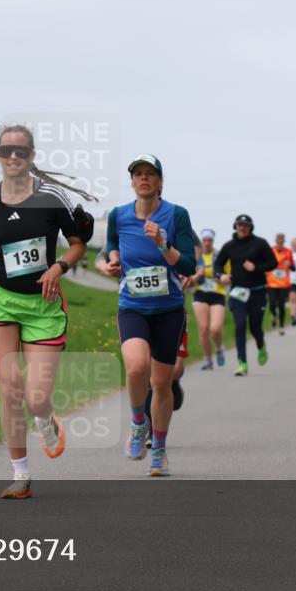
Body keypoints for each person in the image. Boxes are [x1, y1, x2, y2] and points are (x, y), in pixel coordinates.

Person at [0, 125, 87, 499]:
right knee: (10, 387)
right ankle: (20, 475)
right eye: (6, 151)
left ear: (32, 155)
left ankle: (45, 416)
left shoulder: (51, 197)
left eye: (21, 151)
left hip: (42, 305)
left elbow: (77, 243)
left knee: (35, 397)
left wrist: (59, 267)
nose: (13, 157)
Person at [104, 154, 198, 476]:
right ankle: (137, 422)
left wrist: (162, 243)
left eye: (150, 174)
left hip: (169, 309)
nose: (144, 178)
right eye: (138, 174)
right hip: (132, 306)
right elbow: (111, 244)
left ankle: (158, 451)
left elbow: (188, 265)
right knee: (136, 366)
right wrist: (111, 260)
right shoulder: (118, 215)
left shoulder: (177, 214)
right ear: (132, 181)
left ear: (160, 182)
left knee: (161, 384)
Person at [213, 215, 278, 376]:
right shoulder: (229, 246)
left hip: (257, 292)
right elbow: (218, 264)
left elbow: (273, 263)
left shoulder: (260, 243)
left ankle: (261, 345)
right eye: (240, 225)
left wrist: (256, 267)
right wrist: (220, 275)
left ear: (250, 227)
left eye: (246, 225)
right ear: (235, 226)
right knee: (240, 325)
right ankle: (242, 363)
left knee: (255, 327)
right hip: (238, 292)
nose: (242, 228)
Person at [189, 228, 228, 369]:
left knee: (215, 328)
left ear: (213, 241)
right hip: (200, 293)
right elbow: (188, 280)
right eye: (204, 240)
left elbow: (228, 276)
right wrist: (197, 276)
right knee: (204, 329)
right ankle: (208, 359)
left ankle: (219, 347)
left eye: (209, 240)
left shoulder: (220, 256)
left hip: (217, 294)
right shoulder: (195, 257)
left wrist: (222, 278)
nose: (206, 243)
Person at [266, 232, 294, 336]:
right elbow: (265, 264)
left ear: (284, 241)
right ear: (275, 240)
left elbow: (294, 268)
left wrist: (289, 265)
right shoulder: (270, 250)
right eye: (278, 239)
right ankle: (274, 315)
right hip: (271, 283)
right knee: (272, 304)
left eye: (282, 239)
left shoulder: (288, 252)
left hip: (284, 284)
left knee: (282, 305)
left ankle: (281, 327)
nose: (280, 241)